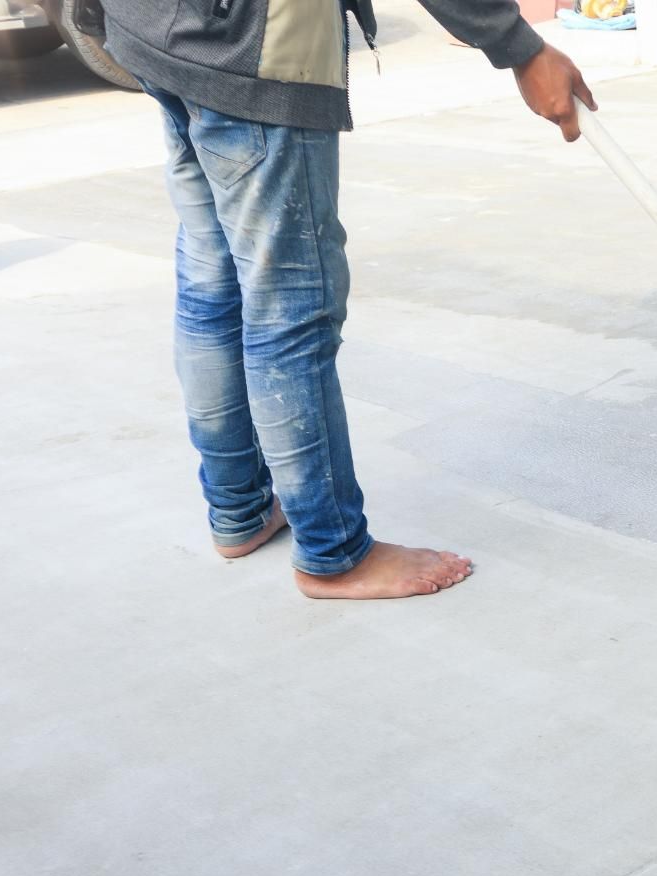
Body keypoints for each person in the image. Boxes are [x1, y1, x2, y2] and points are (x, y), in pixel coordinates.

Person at [85, 0, 594, 598]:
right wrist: (519, 46)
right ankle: (335, 553)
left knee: (213, 281)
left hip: (157, 31)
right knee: (289, 310)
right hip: (250, 51)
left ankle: (239, 511)